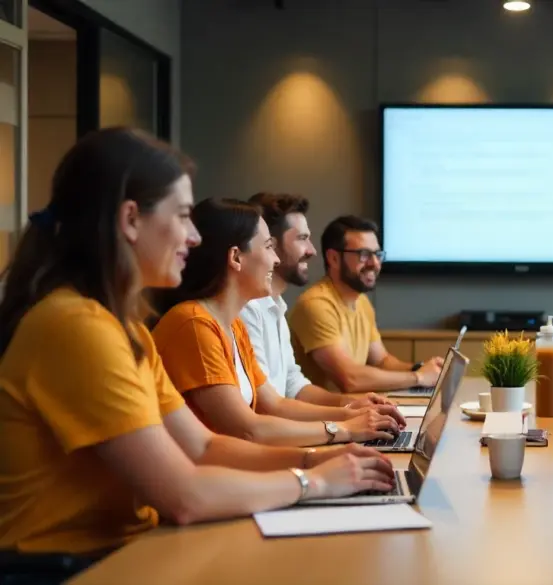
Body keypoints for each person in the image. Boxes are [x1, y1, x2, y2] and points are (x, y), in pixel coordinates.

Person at [0, 129, 394, 581]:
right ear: (131, 219)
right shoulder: (77, 326)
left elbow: (202, 447)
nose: (192, 237)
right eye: (184, 216)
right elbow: (184, 495)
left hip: (122, 551)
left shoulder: (125, 329)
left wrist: (316, 460)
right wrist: (315, 482)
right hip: (64, 569)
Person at [151, 199, 402, 448]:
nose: (276, 259)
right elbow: (249, 430)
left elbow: (274, 403)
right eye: (268, 246)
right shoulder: (195, 325)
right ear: (236, 257)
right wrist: (344, 429)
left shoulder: (233, 326)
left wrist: (352, 414)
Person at [241, 193, 398, 412]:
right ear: (270, 245)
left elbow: (292, 384)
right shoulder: (247, 309)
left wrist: (351, 405)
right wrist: (344, 421)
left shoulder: (276, 305)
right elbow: (266, 406)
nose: (312, 251)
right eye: (301, 238)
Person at [289, 215, 444, 392]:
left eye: (377, 254)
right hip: (324, 417)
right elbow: (350, 379)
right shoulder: (315, 305)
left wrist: (423, 368)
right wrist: (419, 377)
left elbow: (382, 361)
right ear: (333, 258)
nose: (375, 263)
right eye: (363, 255)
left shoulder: (361, 301)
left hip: (356, 412)